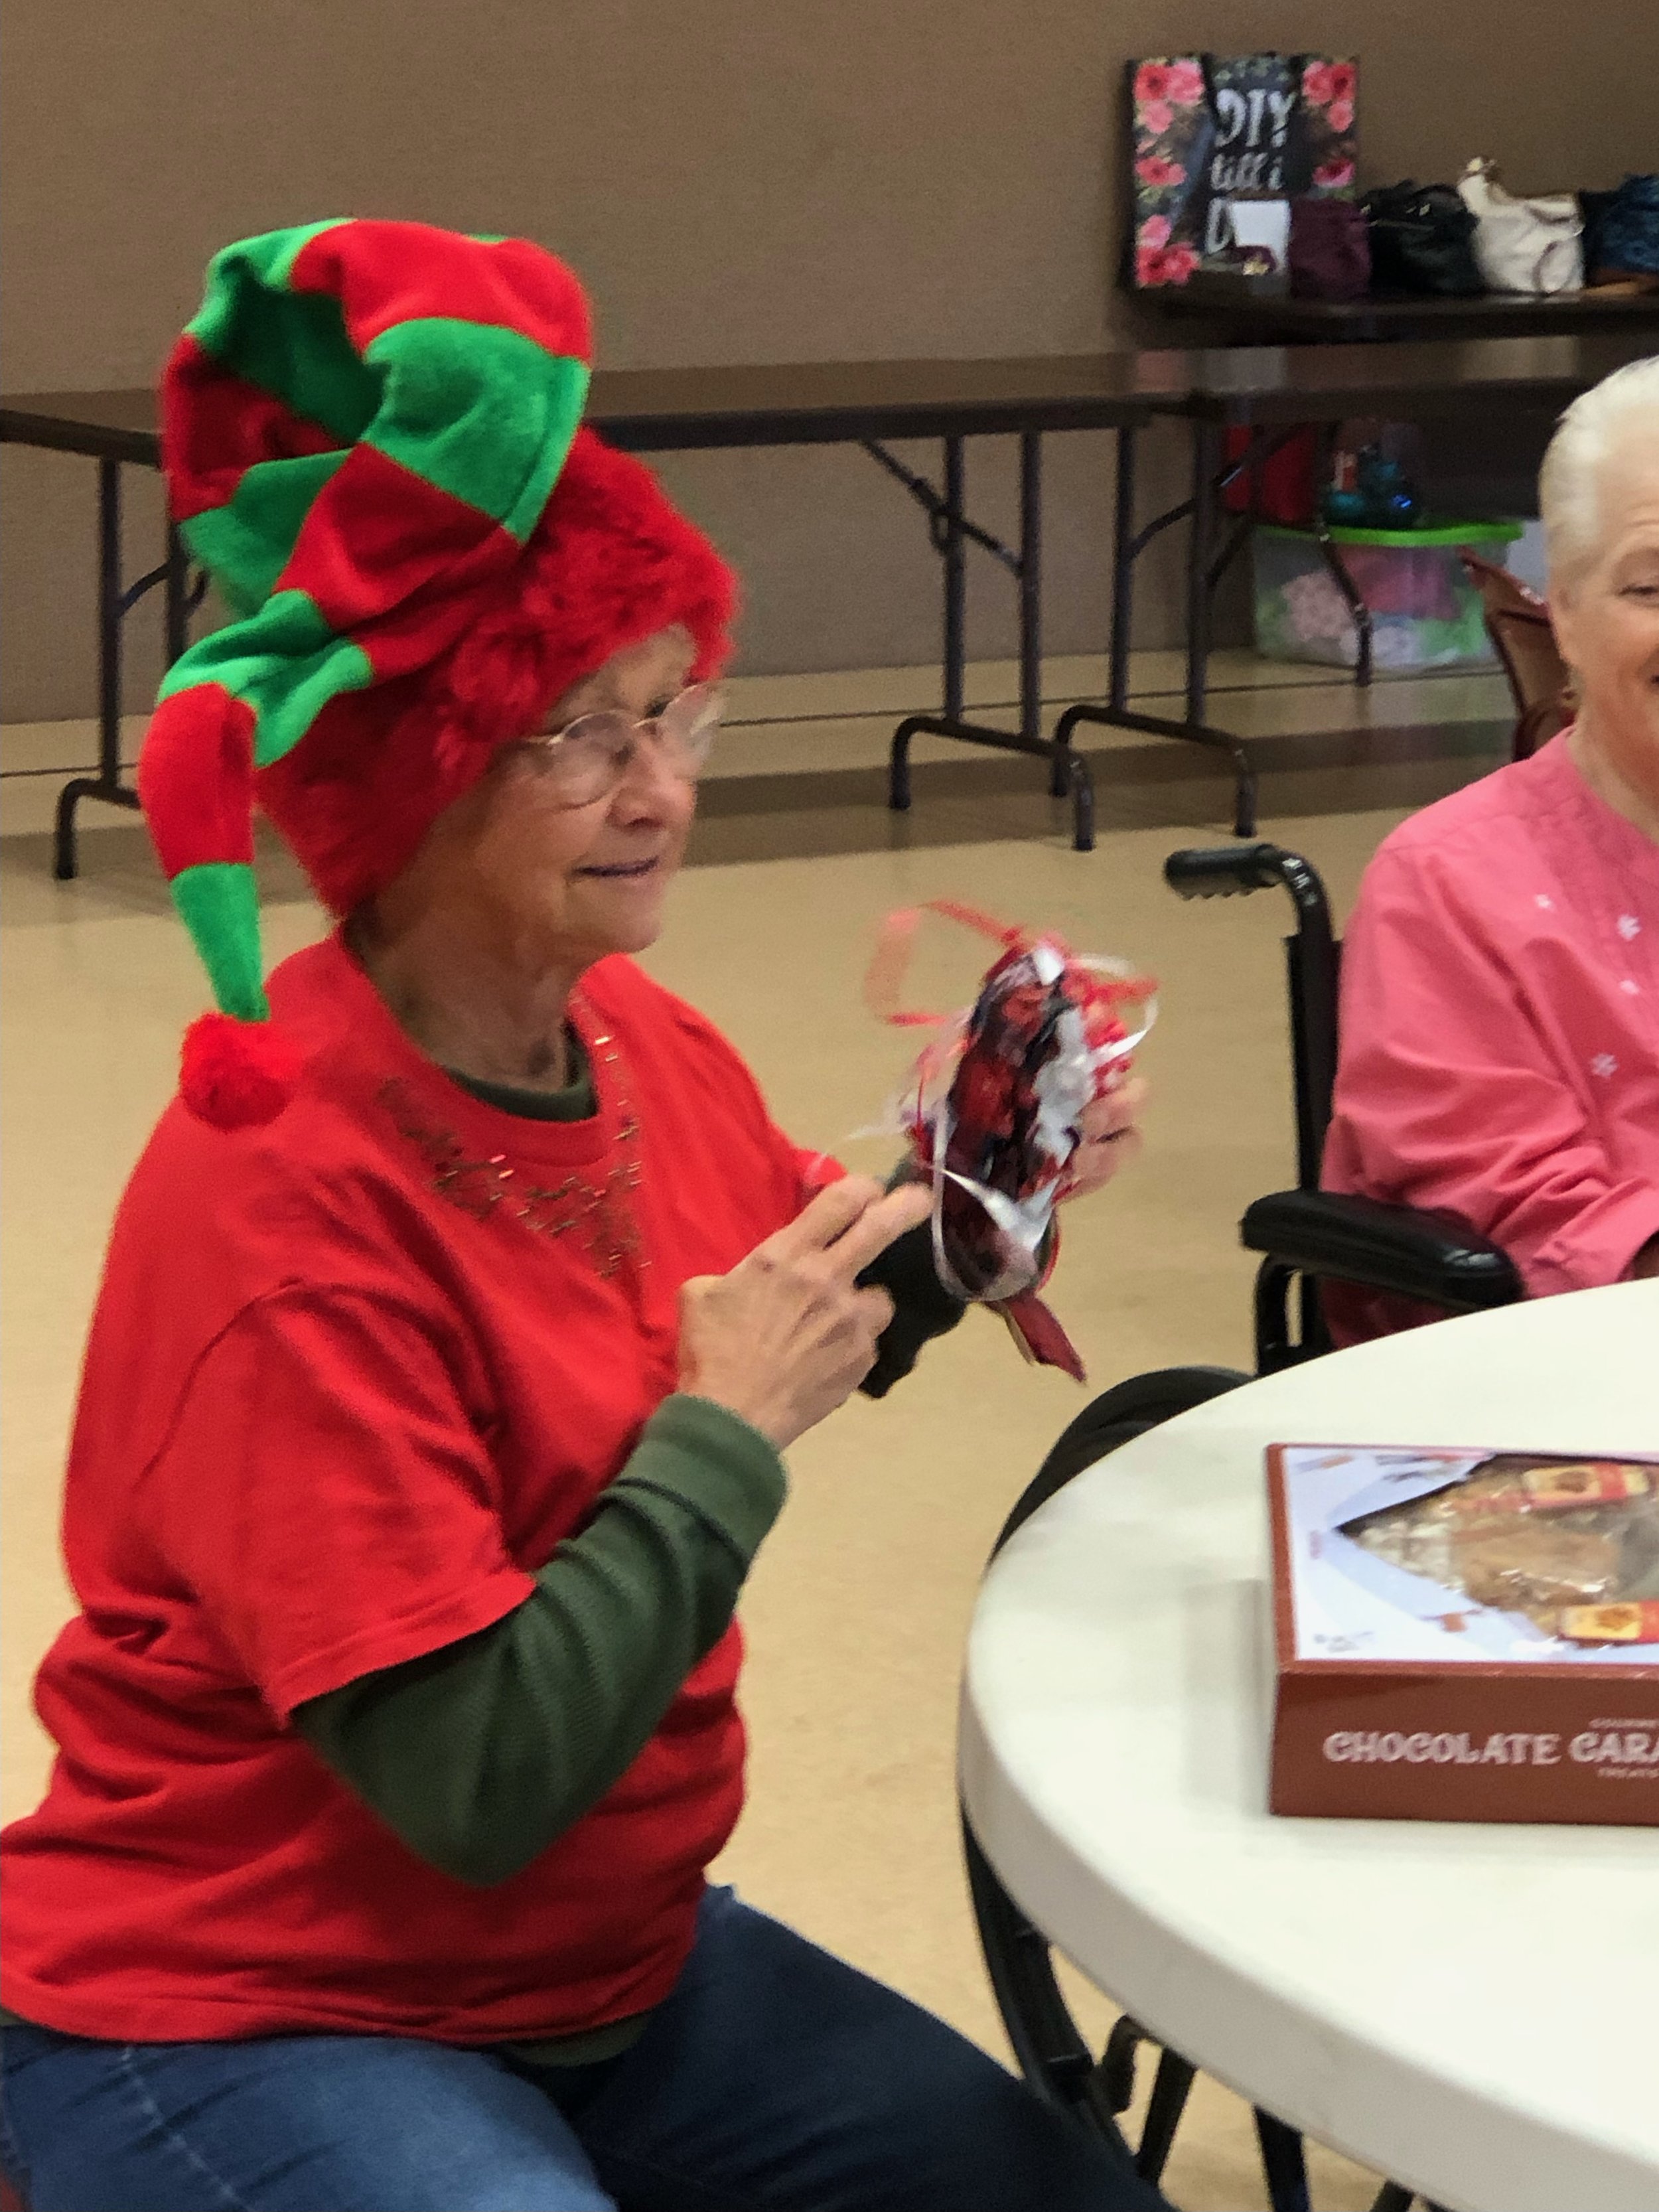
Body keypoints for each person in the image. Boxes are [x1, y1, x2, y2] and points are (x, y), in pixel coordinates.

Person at [0, 221, 1157, 2212]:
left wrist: (972, 1200)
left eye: (680, 710)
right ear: (412, 775)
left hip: (591, 1971)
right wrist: (721, 1437)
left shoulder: (626, 1034)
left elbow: (803, 1302)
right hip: (234, 1999)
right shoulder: (284, 1198)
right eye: (581, 733)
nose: (661, 787)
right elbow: (474, 1778)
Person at [1323, 354, 1659, 1335]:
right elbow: (1537, 1218)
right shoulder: (1450, 884)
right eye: (1650, 586)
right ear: (1557, 611)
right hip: (1574, 1402)